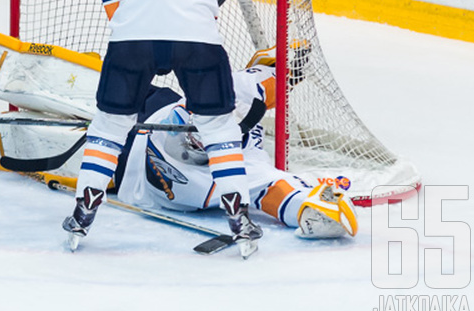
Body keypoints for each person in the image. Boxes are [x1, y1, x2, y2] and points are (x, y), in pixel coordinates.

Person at [62, 0, 302, 258]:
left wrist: (152, 17)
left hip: (132, 33)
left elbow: (114, 7)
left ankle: (84, 212)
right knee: (218, 128)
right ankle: (240, 217)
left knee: (109, 128)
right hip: (194, 31)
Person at [114, 56, 358, 240]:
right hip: (153, 105)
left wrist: (312, 210)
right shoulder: (228, 93)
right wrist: (284, 69)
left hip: (128, 173)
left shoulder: (244, 169)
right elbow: (266, 80)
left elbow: (279, 193)